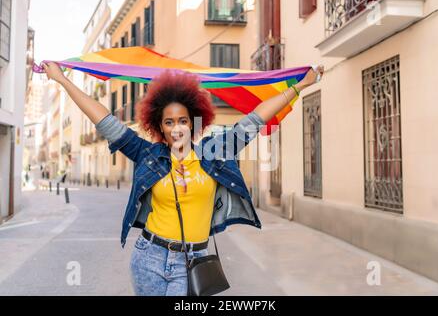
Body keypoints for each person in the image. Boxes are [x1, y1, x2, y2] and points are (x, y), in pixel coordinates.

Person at [43, 62, 324, 296]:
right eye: (169, 122)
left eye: (182, 121)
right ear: (159, 127)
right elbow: (104, 119)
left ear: (193, 122)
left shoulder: (215, 153)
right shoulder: (147, 154)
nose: (176, 128)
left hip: (193, 261)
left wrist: (300, 86)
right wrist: (62, 80)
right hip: (149, 257)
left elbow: (255, 119)